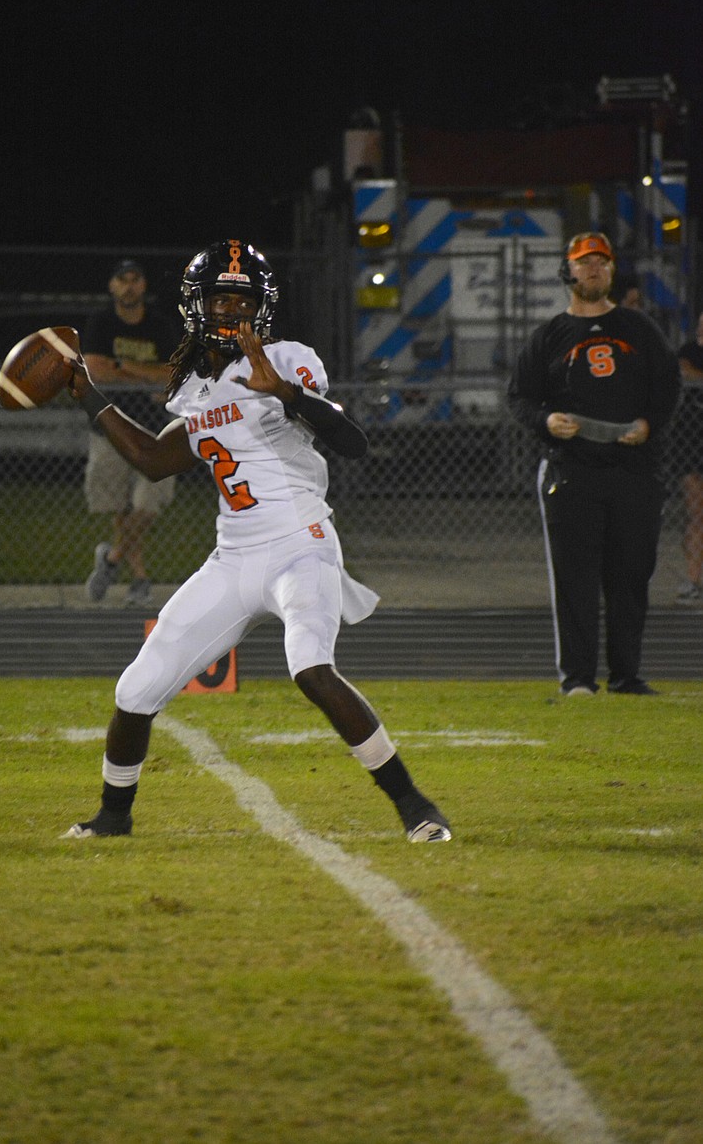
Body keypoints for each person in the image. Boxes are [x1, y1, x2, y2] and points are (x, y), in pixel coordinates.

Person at [62, 239, 451, 843]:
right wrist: (86, 390)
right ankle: (113, 817)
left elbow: (352, 443)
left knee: (311, 668)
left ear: (262, 309)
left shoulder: (287, 360)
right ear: (195, 305)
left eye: (241, 303)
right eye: (218, 300)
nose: (229, 314)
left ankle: (414, 805)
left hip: (302, 543)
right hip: (234, 556)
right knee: (136, 689)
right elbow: (153, 459)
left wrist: (287, 394)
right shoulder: (192, 386)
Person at [508, 231, 681, 696]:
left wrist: (648, 423)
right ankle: (578, 679)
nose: (594, 270)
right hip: (572, 471)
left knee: (631, 575)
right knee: (576, 579)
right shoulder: (548, 336)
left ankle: (627, 676)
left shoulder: (640, 328)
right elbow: (519, 398)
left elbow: (668, 387)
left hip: (633, 470)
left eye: (602, 262)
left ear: (611, 271)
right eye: (585, 263)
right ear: (569, 271)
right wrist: (547, 420)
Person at [81, 259, 179, 606]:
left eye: (135, 279)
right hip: (110, 427)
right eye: (122, 279)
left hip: (153, 431)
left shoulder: (160, 326)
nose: (129, 286)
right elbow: (97, 371)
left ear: (143, 286)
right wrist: (145, 374)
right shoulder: (100, 323)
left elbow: (171, 375)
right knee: (120, 507)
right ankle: (139, 578)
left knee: (148, 503)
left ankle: (112, 559)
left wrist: (123, 366)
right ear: (112, 286)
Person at [673, 310, 703, 602]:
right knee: (697, 512)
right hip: (691, 442)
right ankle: (693, 578)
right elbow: (683, 370)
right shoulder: (688, 351)